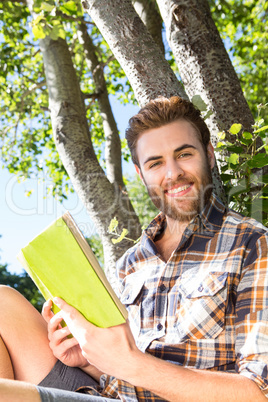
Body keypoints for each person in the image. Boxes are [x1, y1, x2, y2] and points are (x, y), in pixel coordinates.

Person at [1, 96, 268, 402]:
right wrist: (88, 360)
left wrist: (128, 361)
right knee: (2, 303)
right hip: (105, 392)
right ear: (141, 175)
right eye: (156, 163)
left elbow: (259, 392)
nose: (172, 173)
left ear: (208, 155)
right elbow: (123, 363)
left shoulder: (251, 243)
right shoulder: (134, 260)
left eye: (184, 154)